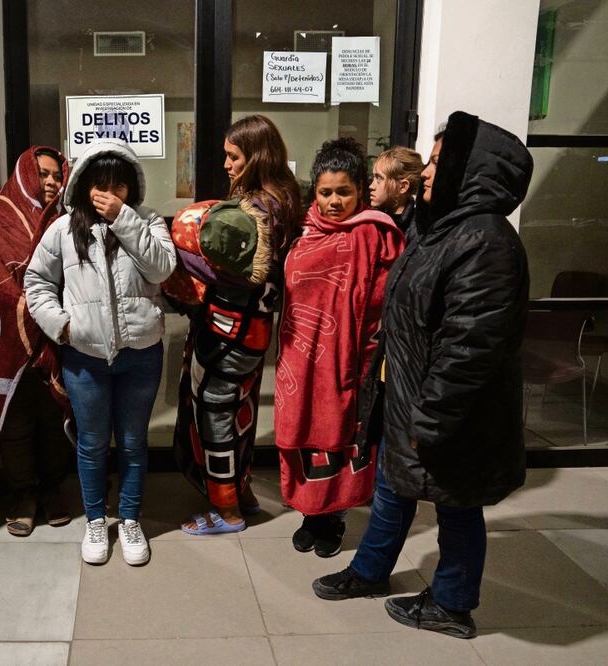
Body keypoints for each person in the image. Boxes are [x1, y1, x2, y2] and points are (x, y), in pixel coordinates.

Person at [312, 111, 533, 639]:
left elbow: (470, 348)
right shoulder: (444, 228)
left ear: (468, 168)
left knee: (457, 504)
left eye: (437, 160)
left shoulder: (484, 241)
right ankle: (370, 571)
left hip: (447, 409)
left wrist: (430, 416)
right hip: (409, 393)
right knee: (392, 486)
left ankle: (452, 605)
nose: (427, 171)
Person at [25, 139, 175, 565]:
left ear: (131, 187)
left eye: (118, 185)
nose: (108, 193)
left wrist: (124, 219)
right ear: (84, 184)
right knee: (91, 444)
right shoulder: (63, 229)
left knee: (132, 443)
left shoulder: (146, 220)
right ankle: (95, 520)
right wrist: (63, 326)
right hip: (84, 357)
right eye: (100, 184)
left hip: (141, 354)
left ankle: (129, 519)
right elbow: (36, 283)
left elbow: (162, 269)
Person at [173, 114, 303, 535]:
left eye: (234, 157)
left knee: (215, 414)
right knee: (238, 412)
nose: (226, 165)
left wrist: (178, 251)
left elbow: (228, 274)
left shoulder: (255, 209)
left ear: (257, 156)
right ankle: (241, 493)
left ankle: (226, 509)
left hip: (228, 330)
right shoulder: (285, 199)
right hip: (254, 329)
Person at [275, 138, 404, 558]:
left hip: (349, 357)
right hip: (300, 358)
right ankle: (311, 515)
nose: (333, 202)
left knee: (342, 439)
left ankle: (335, 518)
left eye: (343, 192)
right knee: (306, 435)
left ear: (360, 189)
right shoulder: (304, 231)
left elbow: (385, 296)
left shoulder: (374, 233)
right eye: (325, 192)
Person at [0, 146, 74, 537]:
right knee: (16, 423)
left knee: (56, 418)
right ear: (25, 173)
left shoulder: (66, 218)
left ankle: (52, 489)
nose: (51, 182)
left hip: (59, 338)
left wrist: (56, 316)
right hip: (11, 339)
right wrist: (32, 311)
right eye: (43, 173)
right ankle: (23, 494)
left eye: (57, 175)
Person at [369, 146, 423, 234]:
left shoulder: (418, 229)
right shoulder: (370, 219)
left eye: (379, 179)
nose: (371, 186)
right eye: (373, 178)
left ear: (402, 187)